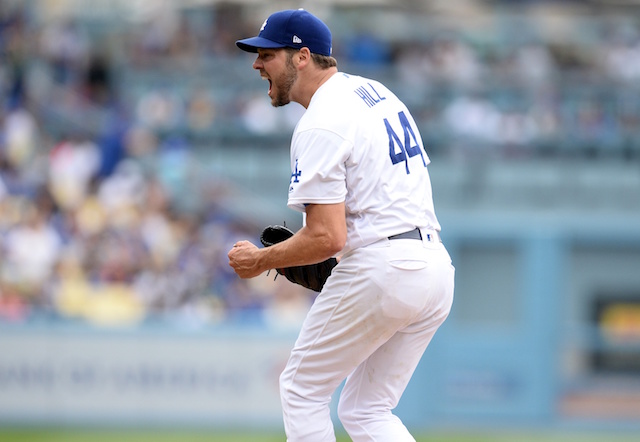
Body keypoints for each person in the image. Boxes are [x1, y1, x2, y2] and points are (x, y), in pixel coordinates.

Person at [228, 9, 455, 442]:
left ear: (302, 57)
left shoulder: (320, 122)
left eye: (267, 54)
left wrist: (261, 260)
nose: (256, 65)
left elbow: (327, 237)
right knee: (367, 409)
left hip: (384, 266)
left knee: (301, 390)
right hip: (434, 268)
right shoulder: (376, 92)